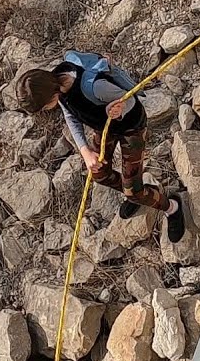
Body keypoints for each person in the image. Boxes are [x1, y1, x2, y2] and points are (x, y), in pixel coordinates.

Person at [15, 52, 185, 242]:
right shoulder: (58, 87)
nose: (48, 109)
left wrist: (115, 109)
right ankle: (140, 193)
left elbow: (129, 101)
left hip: (131, 128)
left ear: (50, 93)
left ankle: (171, 207)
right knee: (99, 173)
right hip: (105, 128)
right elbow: (70, 117)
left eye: (45, 107)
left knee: (133, 191)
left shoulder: (94, 87)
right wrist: (85, 151)